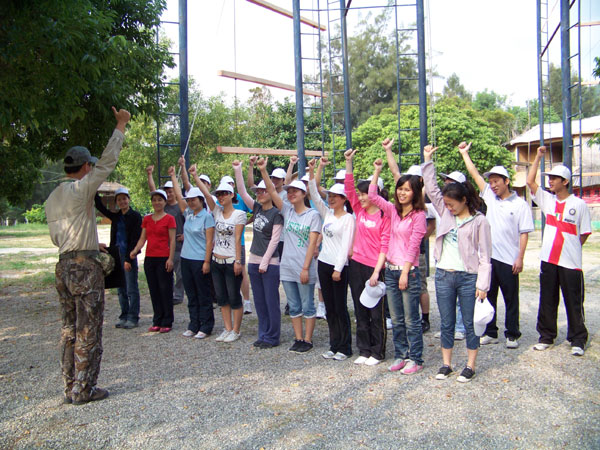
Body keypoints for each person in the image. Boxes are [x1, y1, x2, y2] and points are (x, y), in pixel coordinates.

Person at [46, 106, 130, 405]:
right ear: (85, 167)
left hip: (64, 266)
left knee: (69, 328)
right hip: (84, 269)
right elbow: (108, 162)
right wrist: (121, 126)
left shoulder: (52, 197)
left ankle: (70, 387)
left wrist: (93, 244)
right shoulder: (82, 189)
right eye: (90, 167)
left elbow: (60, 237)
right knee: (88, 328)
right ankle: (85, 389)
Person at [422, 144, 492, 383]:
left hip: (468, 277)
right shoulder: (445, 212)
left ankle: (470, 365)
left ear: (464, 200)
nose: (448, 207)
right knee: (447, 322)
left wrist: (483, 284)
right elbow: (431, 187)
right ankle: (446, 364)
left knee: (470, 323)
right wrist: (427, 159)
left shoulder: (479, 221)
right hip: (444, 275)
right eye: (446, 204)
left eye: (452, 204)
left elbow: (485, 256)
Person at [459, 142, 534, 348]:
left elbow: (524, 233)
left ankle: (512, 334)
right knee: (488, 296)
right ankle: (490, 332)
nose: (492, 185)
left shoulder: (520, 205)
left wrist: (520, 257)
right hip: (489, 258)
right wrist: (464, 154)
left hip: (509, 259)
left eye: (496, 181)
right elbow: (474, 174)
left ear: (506, 181)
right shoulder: (490, 198)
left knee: (511, 298)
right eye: (491, 182)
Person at [526, 146, 591, 356]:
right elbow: (530, 181)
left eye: (554, 178)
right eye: (549, 178)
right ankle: (546, 336)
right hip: (548, 260)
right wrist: (538, 156)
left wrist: (571, 247)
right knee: (547, 299)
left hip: (570, 262)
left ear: (565, 181)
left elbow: (584, 233)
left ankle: (578, 339)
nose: (550, 181)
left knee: (573, 301)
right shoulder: (548, 200)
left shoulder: (579, 204)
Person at [369, 156, 427, 375]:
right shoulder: (393, 210)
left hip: (408, 272)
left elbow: (413, 246)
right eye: (400, 189)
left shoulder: (419, 216)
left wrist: (405, 272)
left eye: (407, 190)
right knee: (396, 319)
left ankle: (416, 358)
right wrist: (377, 171)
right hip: (391, 270)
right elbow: (373, 196)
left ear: (415, 193)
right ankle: (401, 355)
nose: (402, 193)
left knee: (412, 319)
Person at [258, 157, 321, 353]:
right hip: (287, 266)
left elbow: (312, 243)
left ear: (304, 193)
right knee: (293, 305)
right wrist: (263, 170)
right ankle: (298, 338)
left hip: (304, 266)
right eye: (289, 191)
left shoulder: (313, 215)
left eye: (295, 191)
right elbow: (271, 190)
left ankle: (308, 340)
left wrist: (305, 268)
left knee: (307, 304)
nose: (291, 194)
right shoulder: (287, 211)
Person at [383, 139, 436, 334]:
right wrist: (388, 151)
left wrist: (419, 237)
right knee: (402, 291)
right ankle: (406, 320)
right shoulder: (405, 195)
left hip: (416, 252)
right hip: (399, 252)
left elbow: (431, 224)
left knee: (420, 286)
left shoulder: (424, 199)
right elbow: (395, 172)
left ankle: (425, 318)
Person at [343, 149, 390, 366]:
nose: (361, 197)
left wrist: (376, 272)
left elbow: (384, 246)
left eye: (365, 194)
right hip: (357, 265)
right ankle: (363, 349)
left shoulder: (383, 215)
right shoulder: (359, 211)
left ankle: (377, 352)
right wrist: (348, 162)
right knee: (360, 308)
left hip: (375, 268)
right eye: (360, 195)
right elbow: (348, 189)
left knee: (376, 313)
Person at [307, 158, 356, 361]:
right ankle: (334, 344)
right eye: (330, 196)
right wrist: (312, 172)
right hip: (324, 264)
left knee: (340, 307)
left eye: (336, 196)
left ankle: (345, 347)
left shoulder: (348, 218)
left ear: (344, 199)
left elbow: (345, 245)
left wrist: (338, 268)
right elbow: (314, 194)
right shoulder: (327, 214)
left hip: (338, 267)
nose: (331, 199)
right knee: (329, 307)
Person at [233, 159, 284, 349]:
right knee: (260, 302)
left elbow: (275, 240)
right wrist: (238, 169)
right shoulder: (256, 208)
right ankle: (263, 334)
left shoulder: (277, 213)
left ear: (271, 193)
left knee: (271, 301)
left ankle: (273, 336)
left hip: (270, 263)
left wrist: (265, 262)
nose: (260, 194)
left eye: (263, 191)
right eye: (258, 192)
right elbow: (242, 191)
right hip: (254, 261)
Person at [194, 168, 247, 343]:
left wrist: (238, 261)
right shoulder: (216, 211)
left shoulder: (239, 214)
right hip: (217, 260)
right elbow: (205, 194)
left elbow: (238, 238)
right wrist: (195, 176)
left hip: (231, 261)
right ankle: (227, 328)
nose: (221, 196)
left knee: (234, 297)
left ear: (232, 195)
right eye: (219, 194)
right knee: (222, 298)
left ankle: (236, 330)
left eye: (225, 193)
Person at [168, 167, 215, 340]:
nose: (191, 202)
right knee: (191, 294)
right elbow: (178, 195)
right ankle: (193, 324)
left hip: (200, 260)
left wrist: (207, 261)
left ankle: (206, 325)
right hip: (186, 259)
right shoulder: (188, 214)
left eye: (194, 199)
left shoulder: (207, 217)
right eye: (189, 200)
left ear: (201, 200)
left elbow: (209, 241)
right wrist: (173, 176)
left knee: (203, 294)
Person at [94, 187, 142, 329]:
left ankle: (133, 317)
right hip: (116, 254)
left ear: (129, 199)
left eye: (124, 199)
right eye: (119, 199)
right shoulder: (116, 217)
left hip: (129, 254)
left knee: (131, 288)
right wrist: (93, 189)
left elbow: (135, 238)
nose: (122, 202)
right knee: (121, 288)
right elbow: (101, 207)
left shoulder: (135, 216)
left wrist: (129, 258)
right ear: (116, 202)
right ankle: (124, 315)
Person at [130, 189, 176, 334]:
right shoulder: (147, 219)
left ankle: (167, 320)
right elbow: (143, 238)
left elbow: (172, 240)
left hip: (163, 257)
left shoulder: (169, 219)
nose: (157, 202)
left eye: (160, 200)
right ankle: (157, 320)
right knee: (154, 290)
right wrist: (135, 250)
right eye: (154, 200)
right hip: (150, 258)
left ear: (165, 202)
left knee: (165, 289)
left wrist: (170, 258)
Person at [146, 165, 185, 305]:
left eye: (170, 191)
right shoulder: (163, 206)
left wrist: (185, 235)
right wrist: (150, 174)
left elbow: (189, 222)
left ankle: (178, 295)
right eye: (166, 192)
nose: (168, 194)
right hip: (165, 246)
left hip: (179, 245)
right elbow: (153, 190)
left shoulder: (181, 206)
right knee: (167, 273)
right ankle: (169, 294)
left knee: (179, 273)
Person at [219, 174, 253, 315]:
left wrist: (245, 223)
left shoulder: (241, 198)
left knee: (241, 271)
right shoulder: (219, 201)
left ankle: (246, 301)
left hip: (240, 242)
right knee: (225, 274)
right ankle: (228, 300)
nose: (229, 187)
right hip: (223, 245)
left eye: (231, 184)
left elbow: (254, 211)